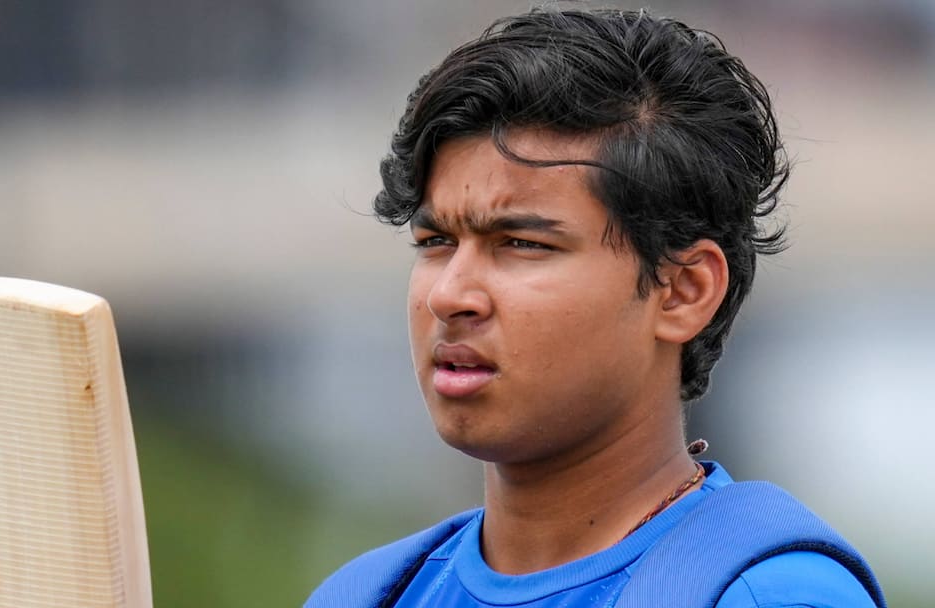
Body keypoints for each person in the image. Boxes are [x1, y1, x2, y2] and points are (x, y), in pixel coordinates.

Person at [307, 8, 885, 608]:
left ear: (683, 291)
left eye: (523, 244)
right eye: (436, 242)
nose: (449, 295)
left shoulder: (765, 595)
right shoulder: (371, 593)